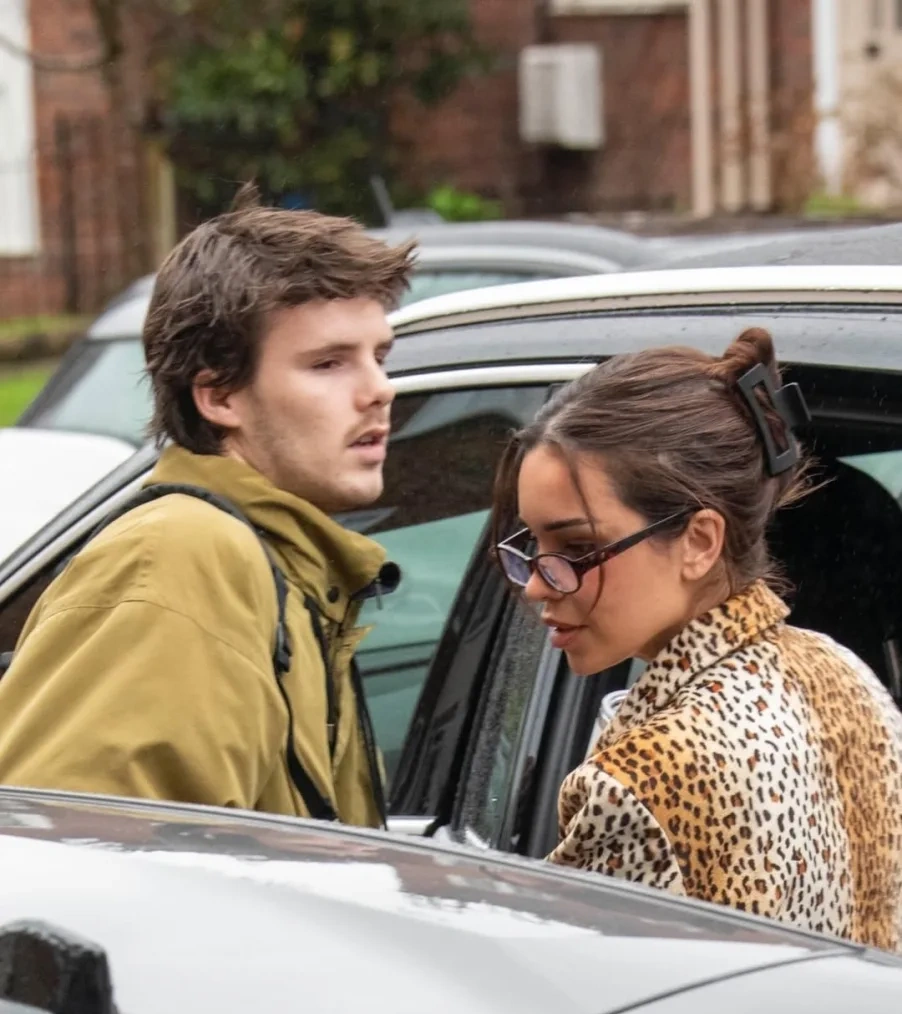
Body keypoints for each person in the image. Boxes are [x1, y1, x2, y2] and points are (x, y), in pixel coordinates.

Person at [0, 189, 416, 825]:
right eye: (329, 363)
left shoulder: (285, 565)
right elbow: (79, 861)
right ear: (219, 397)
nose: (379, 390)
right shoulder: (182, 556)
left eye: (379, 357)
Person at [492, 327, 902, 951]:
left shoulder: (641, 777)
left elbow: (590, 997)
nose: (536, 585)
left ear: (699, 541)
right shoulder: (844, 674)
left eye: (577, 547)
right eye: (531, 544)